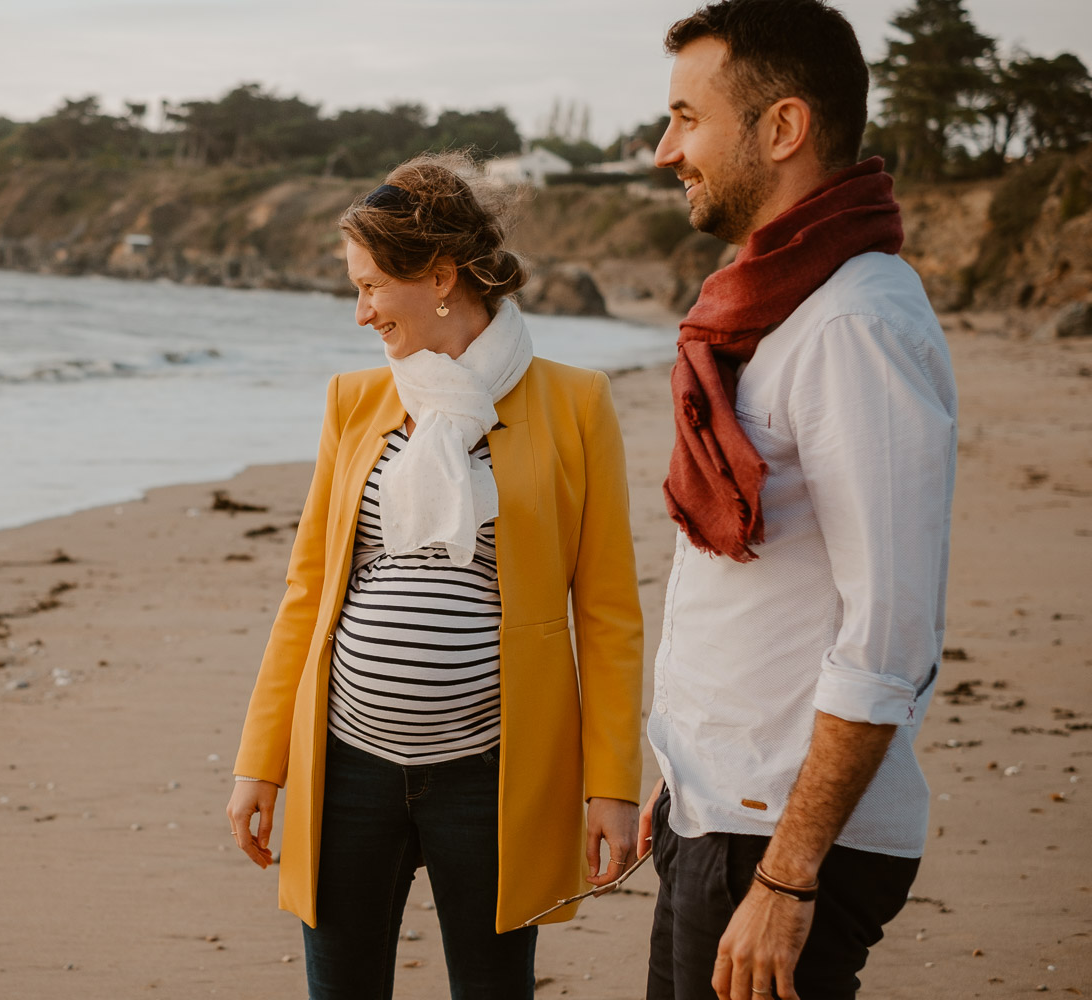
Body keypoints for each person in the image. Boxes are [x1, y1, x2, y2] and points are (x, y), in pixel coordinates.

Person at [225, 151, 646, 999]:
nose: (360, 312)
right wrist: (258, 763)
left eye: (373, 286)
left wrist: (613, 788)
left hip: (493, 774)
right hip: (345, 765)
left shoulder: (575, 404)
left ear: (443, 276)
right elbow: (308, 592)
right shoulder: (355, 400)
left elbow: (606, 613)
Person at [635, 2, 960, 999]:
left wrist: (785, 871)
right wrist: (683, 776)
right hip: (722, 810)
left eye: (687, 117)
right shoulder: (774, 309)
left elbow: (889, 632)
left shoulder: (851, 324)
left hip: (778, 836)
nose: (662, 151)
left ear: (781, 129)